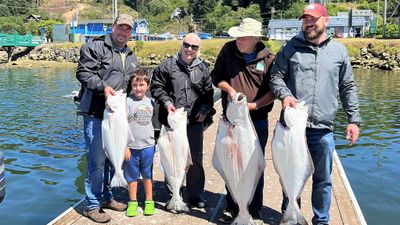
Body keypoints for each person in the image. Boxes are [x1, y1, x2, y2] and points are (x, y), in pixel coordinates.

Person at [269, 4, 361, 225]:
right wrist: (284, 96)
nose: (308, 23)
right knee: (289, 174)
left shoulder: (339, 51)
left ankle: (321, 221)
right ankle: (291, 215)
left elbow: (347, 86)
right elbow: (275, 77)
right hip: (292, 127)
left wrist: (353, 120)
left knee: (323, 180)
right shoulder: (290, 47)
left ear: (326, 21)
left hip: (322, 129)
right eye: (305, 19)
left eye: (313, 19)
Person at [211, 18, 276, 225]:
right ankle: (233, 207)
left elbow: (273, 92)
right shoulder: (228, 50)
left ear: (255, 38)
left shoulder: (268, 59)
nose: (238, 39)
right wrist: (229, 90)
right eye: (237, 35)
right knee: (231, 164)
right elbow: (217, 76)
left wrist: (254, 106)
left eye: (243, 36)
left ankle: (254, 211)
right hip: (230, 119)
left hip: (256, 121)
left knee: (254, 166)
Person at [76, 14, 140, 223]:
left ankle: (106, 197)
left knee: (113, 159)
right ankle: (92, 205)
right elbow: (84, 73)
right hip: (96, 113)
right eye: (120, 27)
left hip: (118, 115)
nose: (123, 32)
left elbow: (133, 85)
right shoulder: (94, 47)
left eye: (128, 29)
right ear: (113, 27)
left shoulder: (131, 55)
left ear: (132, 32)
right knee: (96, 162)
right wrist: (103, 87)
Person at [150, 33, 214, 209]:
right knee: (171, 157)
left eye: (194, 47)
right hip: (172, 120)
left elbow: (208, 93)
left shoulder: (203, 68)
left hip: (194, 121)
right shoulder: (167, 65)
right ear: (182, 45)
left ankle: (195, 195)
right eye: (187, 45)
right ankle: (174, 194)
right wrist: (167, 102)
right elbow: (156, 86)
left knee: (195, 159)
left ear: (198, 50)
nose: (189, 49)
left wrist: (204, 110)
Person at [124, 70, 156, 217]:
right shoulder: (127, 102)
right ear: (131, 86)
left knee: (147, 175)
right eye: (135, 85)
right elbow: (123, 126)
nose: (138, 88)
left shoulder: (151, 101)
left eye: (142, 85)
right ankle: (132, 202)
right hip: (132, 148)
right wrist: (125, 147)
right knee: (132, 177)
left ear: (148, 86)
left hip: (148, 146)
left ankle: (149, 201)